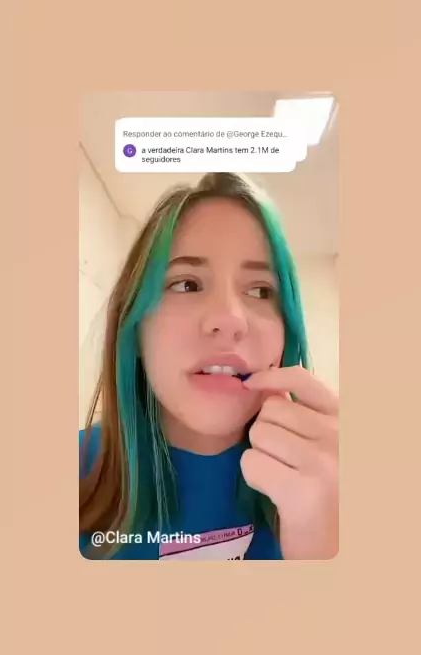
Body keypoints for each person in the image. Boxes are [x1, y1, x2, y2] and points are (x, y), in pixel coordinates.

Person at [79, 172, 338, 560]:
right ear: (134, 327)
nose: (230, 319)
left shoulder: (337, 490)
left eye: (260, 290)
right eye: (187, 284)